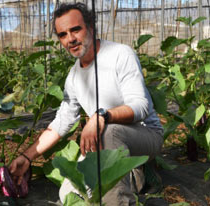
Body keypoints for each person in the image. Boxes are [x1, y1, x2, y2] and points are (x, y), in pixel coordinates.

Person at [9, 2, 164, 205]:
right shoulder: (73, 77)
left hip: (144, 136)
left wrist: (101, 116)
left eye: (75, 29)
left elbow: (141, 106)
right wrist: (27, 157)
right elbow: (61, 122)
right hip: (106, 143)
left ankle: (121, 200)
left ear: (91, 27)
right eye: (63, 34)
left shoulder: (120, 54)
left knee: (109, 133)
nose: (70, 39)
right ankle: (135, 174)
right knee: (69, 195)